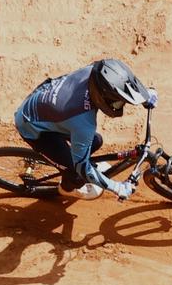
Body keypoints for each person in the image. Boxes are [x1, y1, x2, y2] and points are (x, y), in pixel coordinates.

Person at [14, 58, 158, 200]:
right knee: (77, 174)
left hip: (42, 102)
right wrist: (117, 187)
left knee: (96, 141)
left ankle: (71, 159)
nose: (120, 105)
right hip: (31, 126)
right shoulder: (83, 123)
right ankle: (66, 189)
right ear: (101, 96)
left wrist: (145, 95)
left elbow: (120, 81)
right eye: (119, 102)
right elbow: (82, 168)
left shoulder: (94, 71)